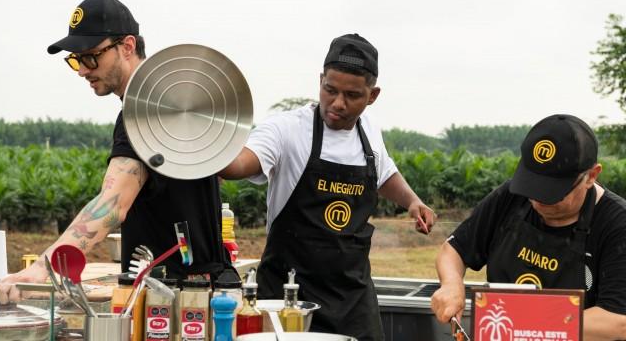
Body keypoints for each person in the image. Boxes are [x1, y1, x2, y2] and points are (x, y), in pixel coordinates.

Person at [0, 0, 228, 305]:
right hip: (192, 288)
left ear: (127, 46)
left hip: (173, 302)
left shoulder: (144, 113)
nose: (82, 70)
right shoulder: (170, 106)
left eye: (91, 57)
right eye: (75, 59)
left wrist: (42, 270)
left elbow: (113, 203)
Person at [219, 33, 435, 341]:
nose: (337, 103)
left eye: (352, 95)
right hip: (288, 300)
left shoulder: (369, 131)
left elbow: (384, 173)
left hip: (353, 302)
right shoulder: (287, 129)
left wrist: (412, 202)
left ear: (372, 95)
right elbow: (242, 162)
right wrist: (214, 156)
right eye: (329, 90)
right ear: (320, 80)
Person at [430, 114, 626, 340]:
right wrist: (452, 284)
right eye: (533, 187)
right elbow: (453, 250)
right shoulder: (510, 198)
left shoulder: (617, 224)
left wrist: (524, 321)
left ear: (591, 176)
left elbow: (617, 320)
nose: (537, 200)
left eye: (552, 193)